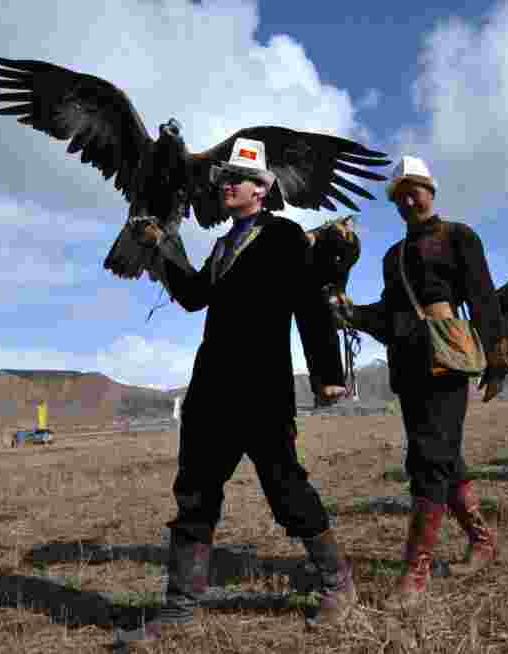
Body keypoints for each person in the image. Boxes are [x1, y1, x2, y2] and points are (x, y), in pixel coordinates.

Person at [135, 138, 355, 630]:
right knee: (194, 494)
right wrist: (162, 248)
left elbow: (310, 306)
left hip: (263, 388)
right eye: (224, 179)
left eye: (236, 179)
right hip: (211, 388)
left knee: (286, 489)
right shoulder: (221, 245)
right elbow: (194, 298)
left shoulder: (285, 237)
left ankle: (338, 582)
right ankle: (179, 607)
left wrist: (327, 376)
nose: (226, 186)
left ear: (261, 190)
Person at [331, 155, 508, 611]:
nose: (409, 199)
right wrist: (352, 312)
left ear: (431, 190)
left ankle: (416, 572)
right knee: (441, 455)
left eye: (416, 190)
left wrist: (497, 361)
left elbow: (483, 297)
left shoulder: (458, 236)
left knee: (430, 457)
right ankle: (482, 541)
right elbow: (390, 314)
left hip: (446, 361)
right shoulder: (394, 255)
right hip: (407, 365)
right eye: (400, 195)